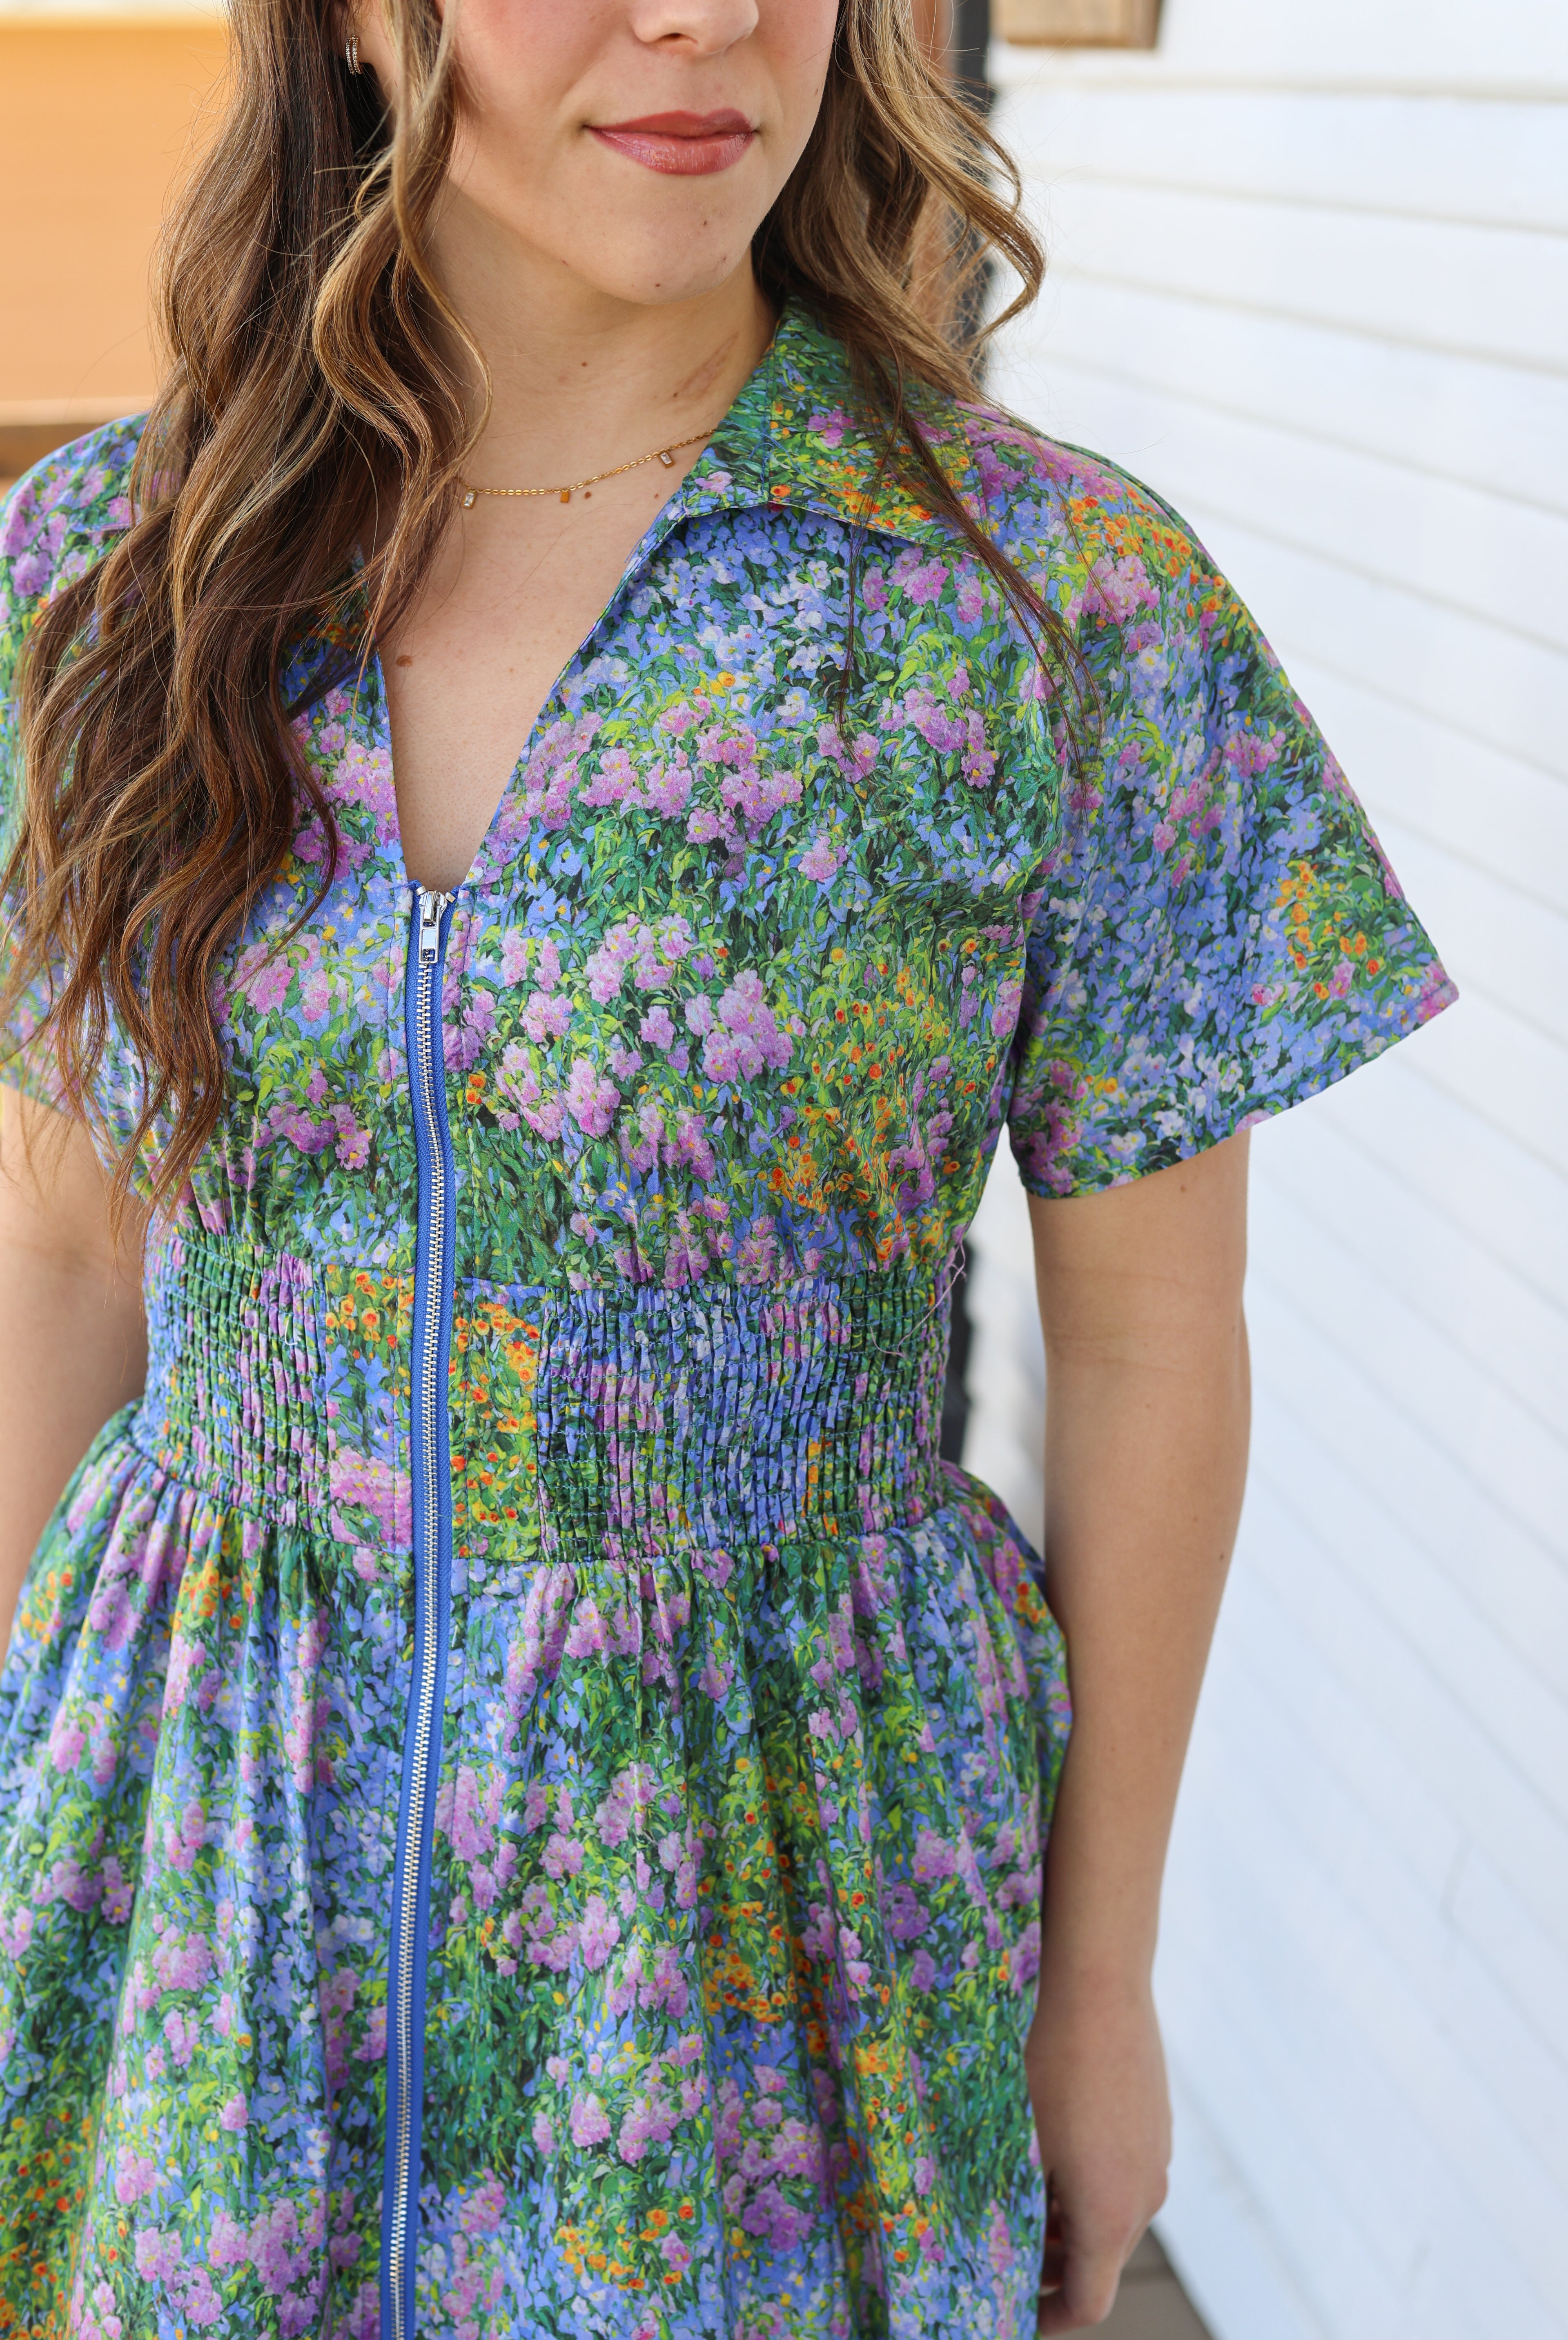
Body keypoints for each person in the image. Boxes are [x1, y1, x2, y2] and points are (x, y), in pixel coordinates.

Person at [0, 3, 1454, 2334]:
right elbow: (68, 1254)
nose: (701, 17)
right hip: (192, 1845)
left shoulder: (1043, 607)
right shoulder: (108, 577)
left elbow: (1151, 1343)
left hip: (779, 1916)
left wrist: (1100, 1983)